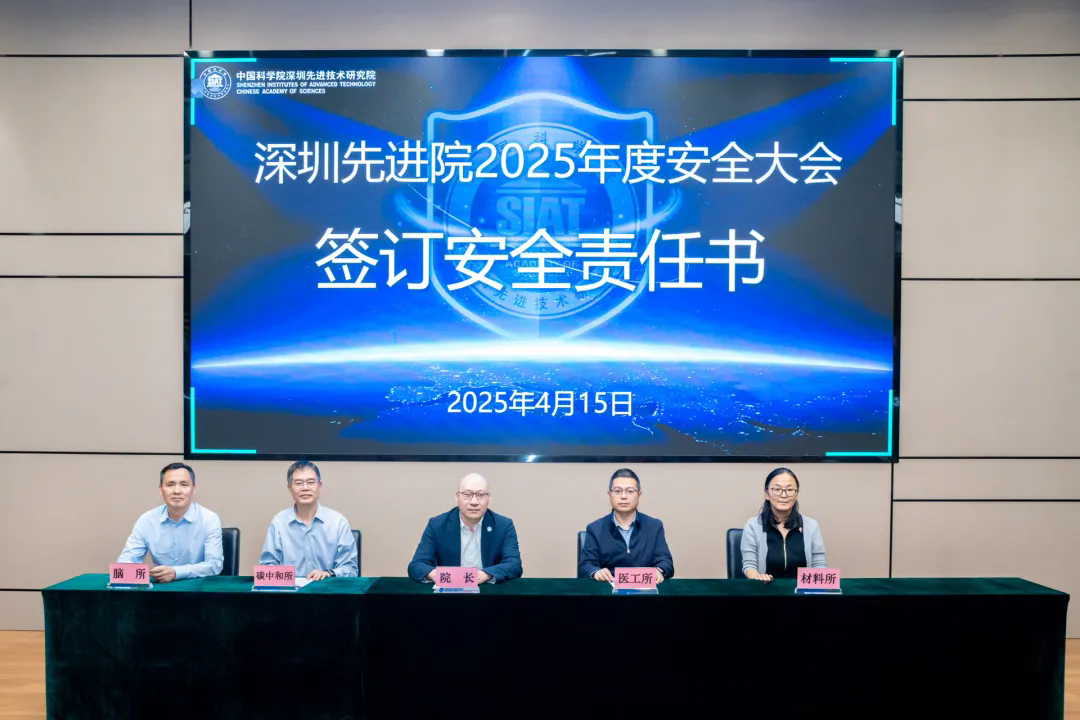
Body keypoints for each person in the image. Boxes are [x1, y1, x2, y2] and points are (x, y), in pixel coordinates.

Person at [116, 462, 223, 582]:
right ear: (161, 490)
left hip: (198, 588)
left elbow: (215, 565)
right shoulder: (146, 521)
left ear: (193, 489)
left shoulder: (209, 519)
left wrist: (176, 573)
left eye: (184, 485)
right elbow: (125, 562)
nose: (177, 491)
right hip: (161, 588)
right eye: (170, 485)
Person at [407, 472, 522, 584]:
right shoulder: (437, 525)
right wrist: (436, 575)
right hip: (449, 592)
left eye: (481, 495)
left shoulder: (504, 526)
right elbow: (416, 565)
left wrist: (484, 575)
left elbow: (514, 565)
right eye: (467, 495)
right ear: (457, 498)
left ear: (489, 499)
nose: (474, 502)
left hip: (488, 591)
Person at [259, 460, 358, 581]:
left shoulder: (338, 522)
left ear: (319, 485)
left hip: (327, 590)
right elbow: (267, 568)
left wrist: (328, 573)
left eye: (311, 482)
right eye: (298, 483)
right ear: (290, 488)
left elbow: (351, 569)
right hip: (290, 592)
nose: (305, 488)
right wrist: (291, 580)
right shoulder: (279, 522)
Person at [579, 468, 673, 582]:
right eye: (617, 491)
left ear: (639, 495)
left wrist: (659, 570)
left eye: (630, 491)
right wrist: (596, 572)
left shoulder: (654, 526)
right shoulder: (595, 529)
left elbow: (666, 562)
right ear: (609, 495)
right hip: (608, 588)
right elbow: (585, 565)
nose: (623, 496)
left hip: (644, 589)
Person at [740, 467, 826, 581]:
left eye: (790, 490)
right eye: (777, 489)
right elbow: (749, 566)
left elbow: (819, 565)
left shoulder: (811, 526)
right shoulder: (753, 526)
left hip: (802, 590)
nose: (784, 495)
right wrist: (758, 578)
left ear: (796, 494)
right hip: (765, 588)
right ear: (767, 494)